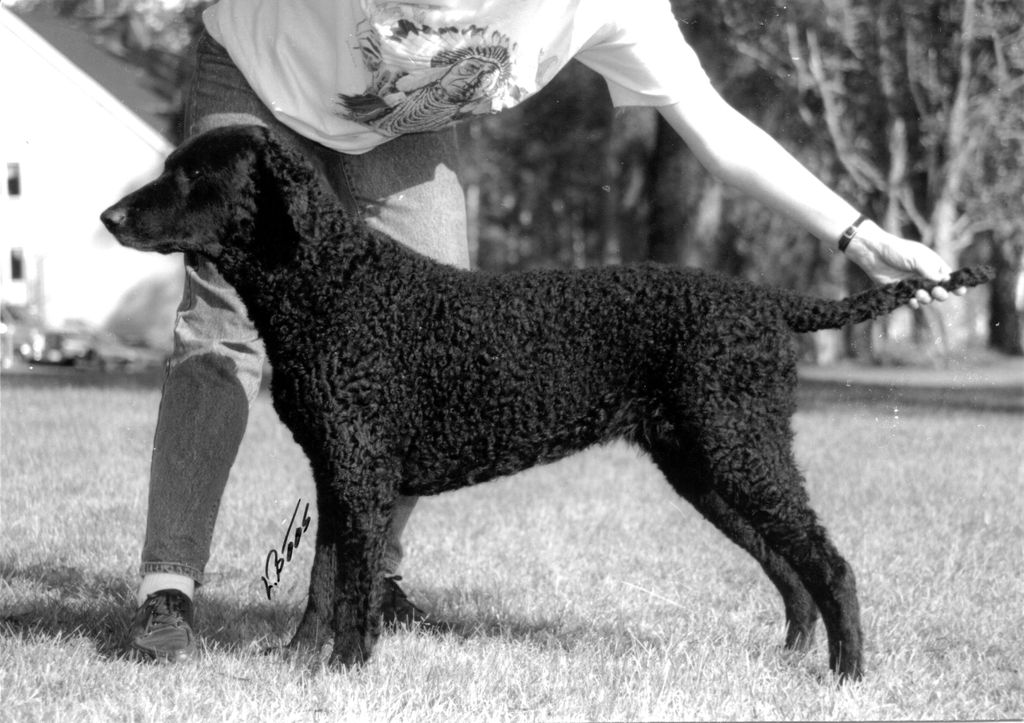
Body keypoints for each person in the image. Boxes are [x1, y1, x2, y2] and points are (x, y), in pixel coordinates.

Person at [128, 0, 961, 662]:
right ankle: (169, 587)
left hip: (393, 118)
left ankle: (366, 584)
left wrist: (868, 240)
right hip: (260, 68)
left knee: (428, 332)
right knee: (221, 326)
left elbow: (718, 131)